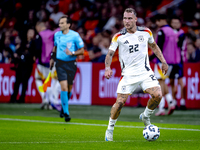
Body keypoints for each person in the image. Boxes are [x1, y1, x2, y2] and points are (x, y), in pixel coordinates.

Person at [104, 8, 168, 141]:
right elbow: (110, 53)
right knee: (120, 103)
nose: (126, 21)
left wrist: (163, 61)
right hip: (128, 75)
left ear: (135, 19)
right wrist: (107, 67)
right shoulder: (118, 36)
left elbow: (154, 46)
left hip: (145, 72)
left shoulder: (146, 32)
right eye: (124, 18)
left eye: (129, 18)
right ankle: (110, 129)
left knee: (158, 95)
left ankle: (146, 115)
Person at [49, 15, 84, 122]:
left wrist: (72, 53)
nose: (60, 25)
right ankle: (67, 113)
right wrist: (52, 58)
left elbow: (82, 50)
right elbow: (55, 47)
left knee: (69, 89)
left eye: (62, 23)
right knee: (63, 87)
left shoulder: (75, 35)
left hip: (71, 64)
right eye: (59, 23)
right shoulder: (57, 35)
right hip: (60, 64)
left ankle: (63, 108)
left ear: (68, 24)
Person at [150, 14, 176, 116]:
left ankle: (161, 108)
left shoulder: (162, 31)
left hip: (162, 61)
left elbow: (158, 47)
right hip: (172, 61)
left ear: (162, 20)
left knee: (159, 84)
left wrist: (150, 58)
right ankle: (170, 103)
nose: (157, 23)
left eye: (157, 21)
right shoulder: (172, 31)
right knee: (162, 82)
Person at [170, 16, 187, 110]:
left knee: (181, 82)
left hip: (179, 61)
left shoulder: (181, 33)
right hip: (170, 61)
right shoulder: (169, 33)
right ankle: (174, 101)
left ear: (180, 24)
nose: (175, 24)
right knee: (172, 81)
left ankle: (183, 102)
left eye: (177, 23)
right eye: (173, 22)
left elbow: (180, 44)